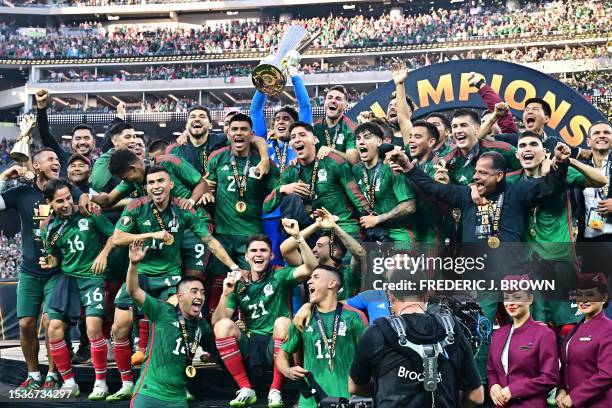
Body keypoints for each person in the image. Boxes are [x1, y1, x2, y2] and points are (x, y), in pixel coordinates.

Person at [106, 166, 238, 402]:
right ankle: (126, 382)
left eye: (160, 181)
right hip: (140, 273)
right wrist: (151, 236)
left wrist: (234, 267)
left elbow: (209, 240)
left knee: (178, 322)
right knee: (119, 327)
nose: (155, 186)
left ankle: (178, 379)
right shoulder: (137, 207)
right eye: (151, 182)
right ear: (146, 186)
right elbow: (117, 238)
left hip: (169, 275)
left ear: (170, 185)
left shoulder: (184, 210)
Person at [0, 148, 88, 390]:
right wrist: (4, 178)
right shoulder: (21, 193)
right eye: (51, 159)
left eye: (58, 160)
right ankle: (33, 375)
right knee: (25, 324)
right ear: (36, 166)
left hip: (57, 273)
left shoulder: (66, 190)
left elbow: (85, 202)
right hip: (29, 271)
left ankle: (52, 374)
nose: (57, 162)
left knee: (52, 322)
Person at [506, 131, 607, 333]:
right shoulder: (510, 181)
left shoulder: (562, 172)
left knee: (568, 328)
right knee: (536, 328)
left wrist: (569, 161)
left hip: (562, 262)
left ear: (544, 153)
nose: (527, 149)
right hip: (530, 265)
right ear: (517, 155)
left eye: (533, 144)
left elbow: (601, 180)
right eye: (523, 146)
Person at [211, 228, 317, 408]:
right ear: (246, 257)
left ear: (271, 255)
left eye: (263, 251)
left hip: (276, 344)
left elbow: (311, 267)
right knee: (223, 326)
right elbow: (217, 323)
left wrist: (298, 237)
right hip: (251, 344)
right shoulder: (239, 283)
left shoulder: (280, 275)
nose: (258, 254)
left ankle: (275, 390)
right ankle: (245, 388)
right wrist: (225, 294)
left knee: (283, 322)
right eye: (253, 251)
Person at [348, 268, 484, 407]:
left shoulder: (376, 332)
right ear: (427, 295)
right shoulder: (452, 328)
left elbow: (354, 387)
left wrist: (381, 390)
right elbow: (476, 397)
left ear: (390, 295)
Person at [40, 179, 115, 399]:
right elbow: (54, 256)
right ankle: (69, 382)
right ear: (49, 203)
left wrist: (103, 255)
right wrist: (51, 262)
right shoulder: (50, 228)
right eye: (59, 201)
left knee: (93, 327)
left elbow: (113, 235)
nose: (66, 204)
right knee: (53, 328)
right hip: (68, 279)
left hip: (92, 277)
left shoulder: (88, 211)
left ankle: (101, 382)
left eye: (67, 198)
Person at [204, 113, 280, 318]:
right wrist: (207, 193)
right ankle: (215, 333)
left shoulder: (264, 163)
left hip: (251, 234)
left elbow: (276, 193)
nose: (239, 133)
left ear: (251, 134)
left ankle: (246, 328)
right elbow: (207, 186)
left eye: (244, 129)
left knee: (249, 283)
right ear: (227, 133)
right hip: (222, 233)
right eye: (234, 129)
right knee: (219, 285)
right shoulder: (217, 157)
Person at [125, 240, 214, 408]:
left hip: (178, 400)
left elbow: (214, 348)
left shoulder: (202, 326)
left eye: (202, 293)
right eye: (194, 291)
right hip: (148, 394)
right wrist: (133, 264)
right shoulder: (162, 311)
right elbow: (133, 290)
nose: (200, 296)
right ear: (180, 297)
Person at [277, 264, 368, 408]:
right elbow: (282, 354)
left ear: (332, 283)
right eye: (310, 277)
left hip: (346, 400)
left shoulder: (354, 317)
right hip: (310, 402)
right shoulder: (302, 318)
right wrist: (288, 371)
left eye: (316, 277)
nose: (308, 281)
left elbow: (367, 360)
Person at [264, 121, 371, 240]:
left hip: (342, 225)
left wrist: (371, 217)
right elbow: (267, 207)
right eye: (293, 137)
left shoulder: (333, 162)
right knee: (290, 199)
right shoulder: (290, 172)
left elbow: (356, 195)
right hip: (314, 229)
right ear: (291, 144)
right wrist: (283, 189)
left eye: (302, 135)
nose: (297, 139)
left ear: (315, 140)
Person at [487, 275, 559, 408]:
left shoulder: (544, 334)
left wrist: (513, 390)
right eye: (507, 298)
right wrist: (493, 386)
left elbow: (550, 378)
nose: (510, 303)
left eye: (517, 297)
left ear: (530, 298)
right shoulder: (498, 334)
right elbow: (491, 370)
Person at [352, 122, 417, 244]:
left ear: (379, 142)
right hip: (373, 233)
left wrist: (378, 219)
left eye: (367, 137)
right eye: (358, 138)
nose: (361, 141)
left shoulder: (392, 168)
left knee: (395, 262)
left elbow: (409, 206)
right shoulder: (356, 170)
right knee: (355, 262)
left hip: (399, 233)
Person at [557, 273, 612, 408]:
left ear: (604, 297)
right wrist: (562, 389)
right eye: (579, 295)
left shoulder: (609, 329)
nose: (583, 299)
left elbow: (607, 374)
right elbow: (567, 366)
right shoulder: (574, 329)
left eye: (589, 294)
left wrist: (574, 397)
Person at [441, 108, 521, 186]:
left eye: (463, 125)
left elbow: (530, 170)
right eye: (454, 126)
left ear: (477, 129)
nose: (458, 131)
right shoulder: (447, 161)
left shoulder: (503, 149)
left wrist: (498, 183)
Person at [35, 89, 97, 172]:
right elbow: (45, 135)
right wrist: (41, 108)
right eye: (78, 138)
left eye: (86, 138)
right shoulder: (63, 158)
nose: (82, 142)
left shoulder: (100, 168)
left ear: (93, 143)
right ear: (71, 143)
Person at [313, 85, 359, 165]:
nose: (333, 101)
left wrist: (332, 152)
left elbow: (354, 160)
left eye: (338, 99)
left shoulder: (351, 128)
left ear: (346, 106)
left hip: (343, 176)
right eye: (330, 98)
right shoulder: (315, 128)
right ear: (325, 103)